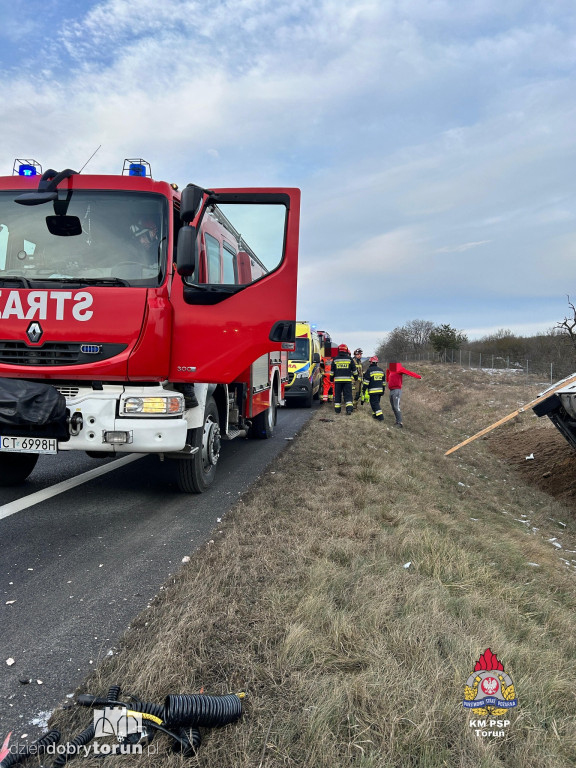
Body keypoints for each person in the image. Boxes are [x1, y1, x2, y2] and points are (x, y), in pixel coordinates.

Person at [386, 362, 422, 428]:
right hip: (391, 390)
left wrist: (419, 377)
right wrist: (387, 379)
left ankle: (399, 423)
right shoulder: (391, 370)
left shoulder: (399, 369)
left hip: (397, 390)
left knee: (396, 407)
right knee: (393, 407)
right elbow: (388, 374)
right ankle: (397, 421)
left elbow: (409, 372)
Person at [330, 344, 357, 415]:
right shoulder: (350, 359)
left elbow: (332, 371)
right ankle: (349, 410)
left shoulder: (335, 359)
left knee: (338, 395)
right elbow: (354, 370)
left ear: (339, 350)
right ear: (346, 350)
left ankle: (337, 410)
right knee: (348, 395)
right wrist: (356, 377)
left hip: (338, 381)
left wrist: (331, 379)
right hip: (347, 381)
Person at [362, 356, 386, 420]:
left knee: (374, 403)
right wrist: (383, 390)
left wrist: (363, 390)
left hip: (373, 391)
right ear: (377, 363)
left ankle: (380, 417)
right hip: (380, 390)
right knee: (377, 403)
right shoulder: (381, 370)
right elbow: (383, 382)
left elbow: (366, 382)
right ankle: (375, 415)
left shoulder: (369, 370)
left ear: (371, 362)